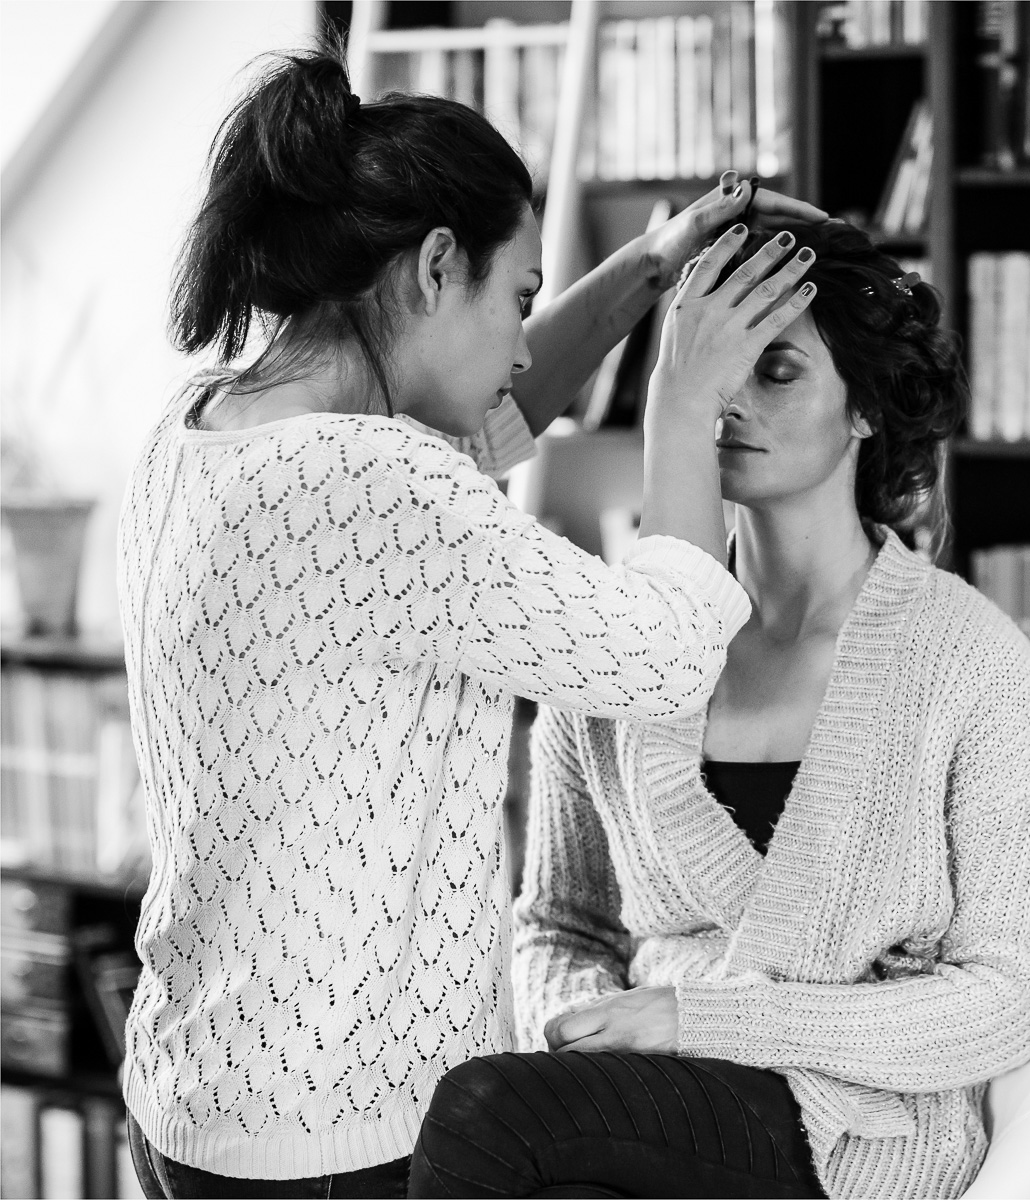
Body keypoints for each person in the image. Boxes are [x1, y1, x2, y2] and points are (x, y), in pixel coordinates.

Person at [119, 48, 825, 1199]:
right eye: (519, 297)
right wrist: (684, 398)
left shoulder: (204, 427)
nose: (518, 337)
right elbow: (662, 652)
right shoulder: (379, 484)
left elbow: (485, 416)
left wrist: (648, 269)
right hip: (336, 1140)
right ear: (437, 264)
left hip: (197, 1095)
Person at [409, 223, 1030, 1200]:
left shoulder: (970, 663)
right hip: (646, 1116)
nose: (725, 401)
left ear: (864, 410)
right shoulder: (621, 651)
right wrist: (592, 1029)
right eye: (708, 367)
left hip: (860, 1141)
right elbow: (558, 928)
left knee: (484, 1115)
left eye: (775, 370)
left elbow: (1006, 1003)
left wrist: (696, 1021)